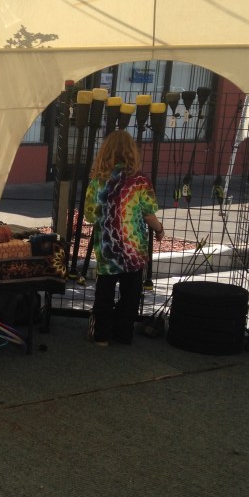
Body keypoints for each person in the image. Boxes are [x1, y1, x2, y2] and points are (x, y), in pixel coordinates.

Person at [83, 130, 164, 346]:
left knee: (104, 293)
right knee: (131, 294)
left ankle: (101, 336)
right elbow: (148, 214)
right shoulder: (140, 181)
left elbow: (90, 216)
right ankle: (123, 333)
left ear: (105, 152)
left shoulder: (97, 182)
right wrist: (159, 229)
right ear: (132, 153)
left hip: (107, 248)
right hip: (134, 249)